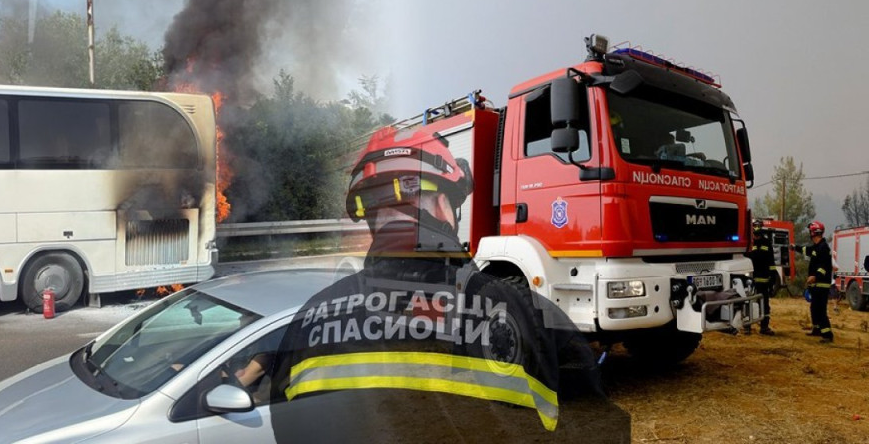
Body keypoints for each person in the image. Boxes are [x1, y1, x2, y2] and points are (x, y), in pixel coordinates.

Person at [268, 125, 629, 442]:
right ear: (442, 205)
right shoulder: (530, 315)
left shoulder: (310, 319)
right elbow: (594, 424)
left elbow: (287, 426)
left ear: (370, 215)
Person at [793, 221, 834, 343]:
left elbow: (824, 266)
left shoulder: (823, 248)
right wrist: (795, 247)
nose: (809, 233)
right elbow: (807, 250)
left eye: (810, 231)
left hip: (821, 284)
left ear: (814, 232)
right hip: (816, 284)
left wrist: (815, 276)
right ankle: (816, 329)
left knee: (820, 309)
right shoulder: (817, 247)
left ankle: (827, 335)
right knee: (814, 308)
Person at [746, 220, 776, 335]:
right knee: (747, 303)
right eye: (755, 227)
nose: (756, 229)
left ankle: (764, 327)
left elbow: (770, 261)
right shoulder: (749, 242)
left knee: (764, 304)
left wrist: (772, 278)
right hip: (750, 279)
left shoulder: (766, 242)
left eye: (758, 227)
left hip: (763, 279)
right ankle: (747, 327)